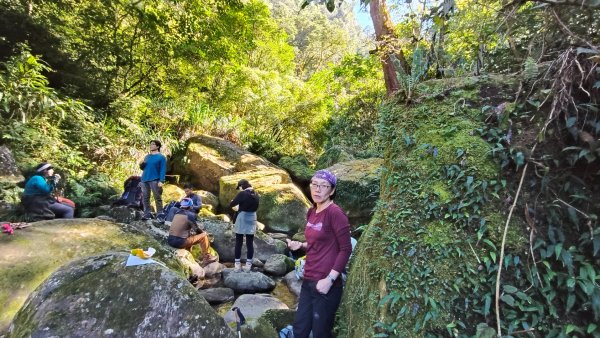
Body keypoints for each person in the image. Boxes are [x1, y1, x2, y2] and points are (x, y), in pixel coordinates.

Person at [286, 170, 352, 338]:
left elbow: (346, 249)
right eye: (314, 184)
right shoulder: (312, 212)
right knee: (300, 329)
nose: (317, 189)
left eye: (323, 186)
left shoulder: (336, 214)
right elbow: (317, 243)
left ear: (332, 191)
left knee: (321, 333)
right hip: (309, 279)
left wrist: (330, 280)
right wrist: (300, 245)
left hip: (326, 284)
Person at [166, 198, 218, 266]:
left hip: (170, 240)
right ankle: (207, 257)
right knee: (204, 235)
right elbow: (196, 230)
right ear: (191, 206)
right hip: (180, 242)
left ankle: (189, 254)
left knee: (190, 235)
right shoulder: (190, 215)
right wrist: (204, 232)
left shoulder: (177, 213)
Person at [229, 179, 259, 272]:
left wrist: (234, 202)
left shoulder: (242, 194)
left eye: (239, 187)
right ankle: (248, 266)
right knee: (250, 243)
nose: (239, 189)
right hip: (253, 217)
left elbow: (232, 204)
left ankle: (237, 266)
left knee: (239, 242)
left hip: (243, 217)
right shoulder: (256, 193)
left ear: (242, 186)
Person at [139, 140, 167, 221]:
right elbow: (143, 168)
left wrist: (162, 180)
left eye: (153, 144)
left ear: (157, 146)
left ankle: (160, 214)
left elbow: (163, 169)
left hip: (155, 179)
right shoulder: (147, 157)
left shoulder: (161, 157)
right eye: (150, 144)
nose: (151, 145)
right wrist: (141, 165)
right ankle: (147, 214)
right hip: (144, 179)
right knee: (145, 197)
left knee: (157, 197)